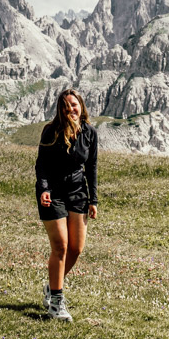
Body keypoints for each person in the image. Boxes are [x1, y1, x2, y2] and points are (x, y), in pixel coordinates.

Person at [35, 88, 98, 322]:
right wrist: (43, 189)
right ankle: (56, 304)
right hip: (53, 192)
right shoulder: (51, 131)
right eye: (65, 106)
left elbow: (91, 167)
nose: (70, 109)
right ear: (60, 110)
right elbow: (41, 165)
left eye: (74, 104)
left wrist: (93, 199)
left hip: (77, 192)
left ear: (81, 106)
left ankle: (51, 287)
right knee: (61, 246)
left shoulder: (90, 133)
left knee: (76, 249)